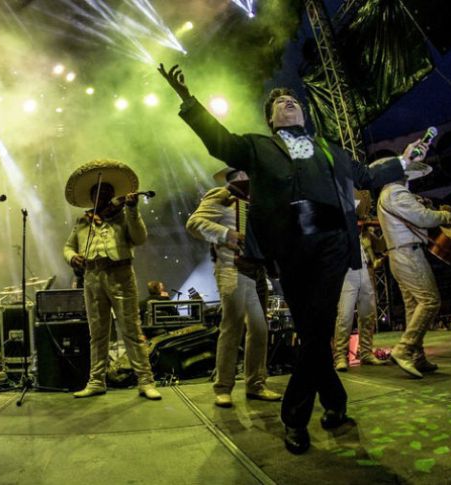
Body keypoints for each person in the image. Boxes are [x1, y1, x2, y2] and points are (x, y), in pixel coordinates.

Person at [158, 63, 425, 454]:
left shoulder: (329, 149)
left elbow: (365, 176)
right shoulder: (258, 147)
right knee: (314, 333)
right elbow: (220, 142)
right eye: (280, 103)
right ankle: (335, 403)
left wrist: (401, 161)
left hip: (333, 244)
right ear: (270, 119)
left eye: (293, 101)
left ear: (303, 113)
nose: (288, 103)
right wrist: (188, 100)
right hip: (290, 250)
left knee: (316, 331)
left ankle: (295, 418)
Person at [63, 159, 161, 400]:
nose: (104, 196)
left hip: (120, 274)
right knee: (97, 333)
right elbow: (68, 247)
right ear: (92, 197)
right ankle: (96, 381)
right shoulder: (83, 221)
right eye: (98, 192)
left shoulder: (123, 216)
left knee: (131, 329)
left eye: (108, 192)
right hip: (92, 276)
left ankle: (145, 380)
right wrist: (73, 257)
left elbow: (139, 238)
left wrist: (133, 210)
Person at [186, 166, 282, 408]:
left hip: (256, 270)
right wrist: (226, 233)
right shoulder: (222, 195)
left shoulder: (256, 201)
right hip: (232, 267)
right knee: (233, 326)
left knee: (259, 329)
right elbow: (194, 223)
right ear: (239, 175)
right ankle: (223, 386)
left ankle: (255, 384)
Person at [373, 155, 451, 378]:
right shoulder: (396, 192)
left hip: (399, 254)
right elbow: (423, 218)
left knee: (413, 306)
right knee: (430, 301)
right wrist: (445, 215)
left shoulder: (387, 194)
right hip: (408, 253)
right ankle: (404, 349)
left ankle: (417, 356)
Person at [333, 197, 388, 371]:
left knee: (368, 314)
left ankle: (366, 353)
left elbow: (380, 245)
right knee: (345, 316)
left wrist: (387, 228)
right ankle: (340, 356)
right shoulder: (340, 226)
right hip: (347, 272)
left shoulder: (365, 231)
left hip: (365, 270)